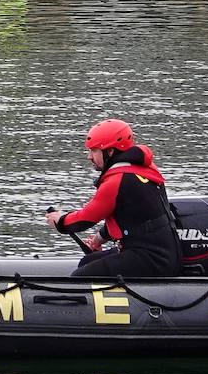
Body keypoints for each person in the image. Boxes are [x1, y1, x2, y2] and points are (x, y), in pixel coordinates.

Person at [45, 118, 181, 278]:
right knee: (86, 262)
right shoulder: (143, 169)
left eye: (94, 151)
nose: (89, 157)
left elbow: (86, 219)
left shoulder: (116, 180)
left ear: (110, 152)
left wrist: (60, 220)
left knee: (80, 278)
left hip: (152, 258)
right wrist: (98, 239)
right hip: (163, 253)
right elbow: (133, 217)